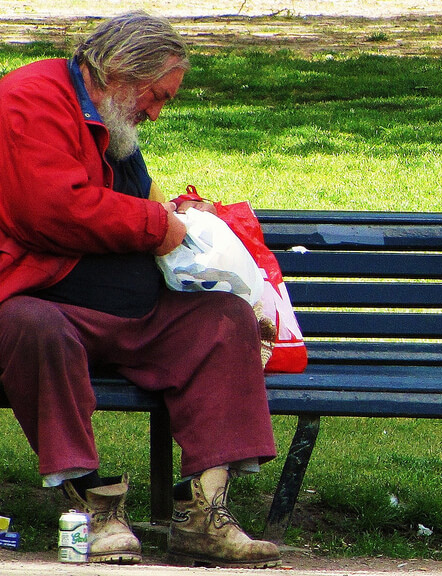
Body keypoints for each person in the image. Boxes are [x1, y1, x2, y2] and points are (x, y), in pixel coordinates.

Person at [0, 12, 281, 568]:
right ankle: (92, 509)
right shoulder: (27, 100)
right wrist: (159, 226)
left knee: (224, 319)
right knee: (34, 328)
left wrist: (179, 211)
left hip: (131, 307)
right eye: (156, 96)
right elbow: (51, 210)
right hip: (44, 296)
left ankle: (205, 512)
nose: (155, 112)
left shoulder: (109, 114)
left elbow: (138, 194)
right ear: (120, 71)